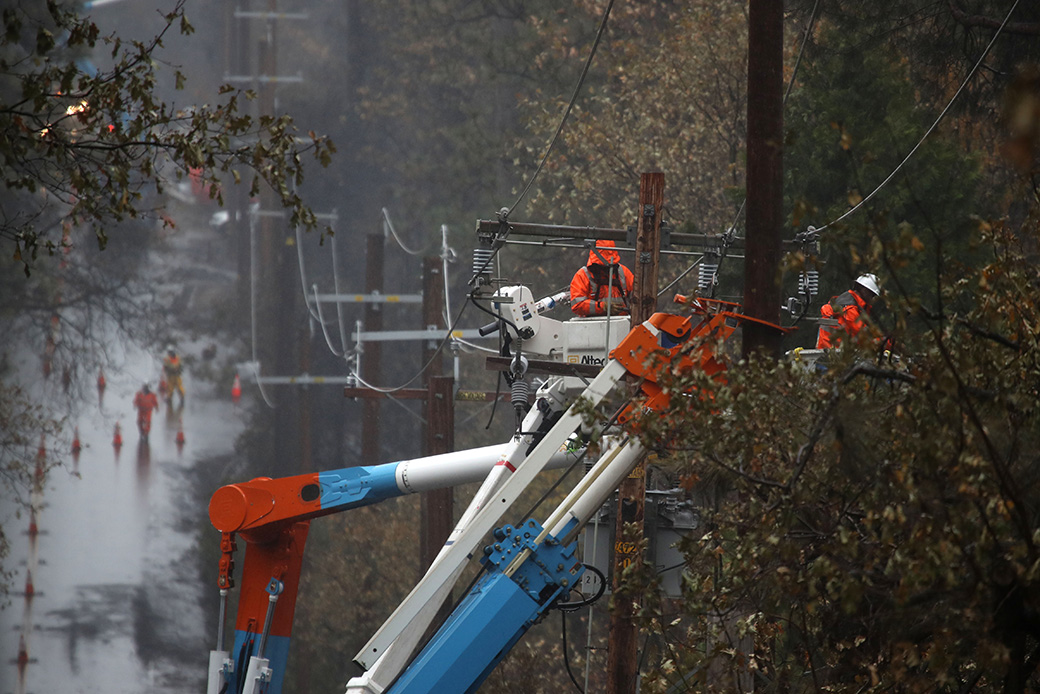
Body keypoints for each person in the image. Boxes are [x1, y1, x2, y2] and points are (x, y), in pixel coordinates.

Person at [569, 240, 635, 317]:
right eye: (602, 266)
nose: (607, 269)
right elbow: (577, 305)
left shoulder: (623, 273)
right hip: (591, 325)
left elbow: (638, 299)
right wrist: (602, 307)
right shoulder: (583, 275)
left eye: (610, 266)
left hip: (623, 323)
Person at [816, 273, 882, 349]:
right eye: (872, 295)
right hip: (834, 353)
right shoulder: (850, 308)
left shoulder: (848, 303)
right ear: (864, 290)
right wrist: (884, 342)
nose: (872, 298)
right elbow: (864, 335)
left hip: (830, 350)